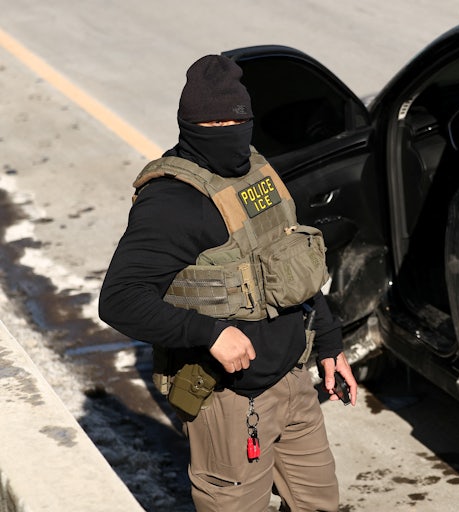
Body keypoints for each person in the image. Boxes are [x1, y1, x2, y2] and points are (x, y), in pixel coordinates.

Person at [99, 54, 357, 512]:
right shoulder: (173, 201)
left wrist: (331, 345)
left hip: (296, 380)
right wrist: (210, 333)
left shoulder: (257, 170)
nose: (228, 132)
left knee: (321, 505)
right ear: (189, 127)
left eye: (237, 121)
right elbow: (120, 299)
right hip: (230, 400)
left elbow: (293, 260)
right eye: (213, 123)